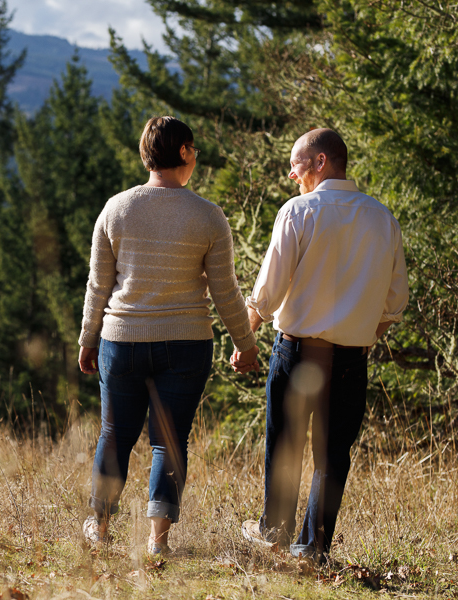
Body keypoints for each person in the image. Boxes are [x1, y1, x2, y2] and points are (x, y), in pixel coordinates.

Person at [78, 116, 258, 555]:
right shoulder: (208, 216)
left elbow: (98, 285)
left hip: (121, 340)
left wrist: (87, 338)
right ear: (183, 152)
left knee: (115, 435)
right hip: (186, 343)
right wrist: (245, 344)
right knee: (170, 439)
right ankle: (158, 540)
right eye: (193, 150)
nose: (196, 158)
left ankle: (100, 528)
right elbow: (225, 290)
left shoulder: (115, 208)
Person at [235, 128, 409, 564]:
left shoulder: (299, 211)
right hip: (352, 358)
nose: (291, 174)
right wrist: (362, 337)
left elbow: (268, 291)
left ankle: (274, 534)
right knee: (333, 456)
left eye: (296, 164)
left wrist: (245, 337)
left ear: (320, 162)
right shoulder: (383, 219)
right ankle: (314, 549)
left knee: (286, 444)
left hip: (296, 351)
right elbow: (395, 304)